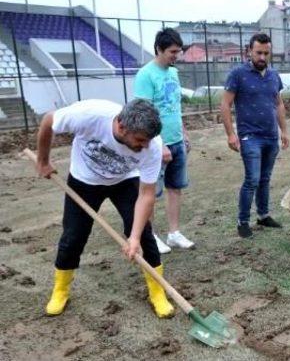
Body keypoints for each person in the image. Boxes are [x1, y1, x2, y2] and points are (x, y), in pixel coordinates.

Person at [34, 99, 174, 318]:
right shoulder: (88, 115)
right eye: (139, 140)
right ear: (121, 126)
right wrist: (43, 161)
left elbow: (146, 195)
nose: (145, 146)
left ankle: (157, 292)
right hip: (84, 181)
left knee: (145, 235)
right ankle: (60, 290)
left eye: (148, 141)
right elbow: (48, 121)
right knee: (73, 236)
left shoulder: (152, 146)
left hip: (125, 181)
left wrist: (134, 237)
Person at [221, 33, 289, 238]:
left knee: (265, 178)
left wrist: (284, 131)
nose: (262, 57)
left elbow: (278, 104)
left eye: (266, 53)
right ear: (249, 51)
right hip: (250, 136)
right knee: (252, 179)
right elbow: (225, 104)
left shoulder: (274, 76)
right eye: (258, 52)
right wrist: (230, 134)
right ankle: (243, 221)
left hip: (270, 136)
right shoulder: (237, 74)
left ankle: (263, 214)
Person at [134, 28, 193, 253]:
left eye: (178, 51)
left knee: (175, 188)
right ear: (159, 49)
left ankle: (174, 233)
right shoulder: (145, 75)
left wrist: (183, 132)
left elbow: (174, 106)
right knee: (151, 193)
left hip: (177, 140)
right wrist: (161, 144)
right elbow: (142, 115)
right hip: (155, 145)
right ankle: (150, 236)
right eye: (172, 51)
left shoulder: (173, 73)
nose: (176, 56)